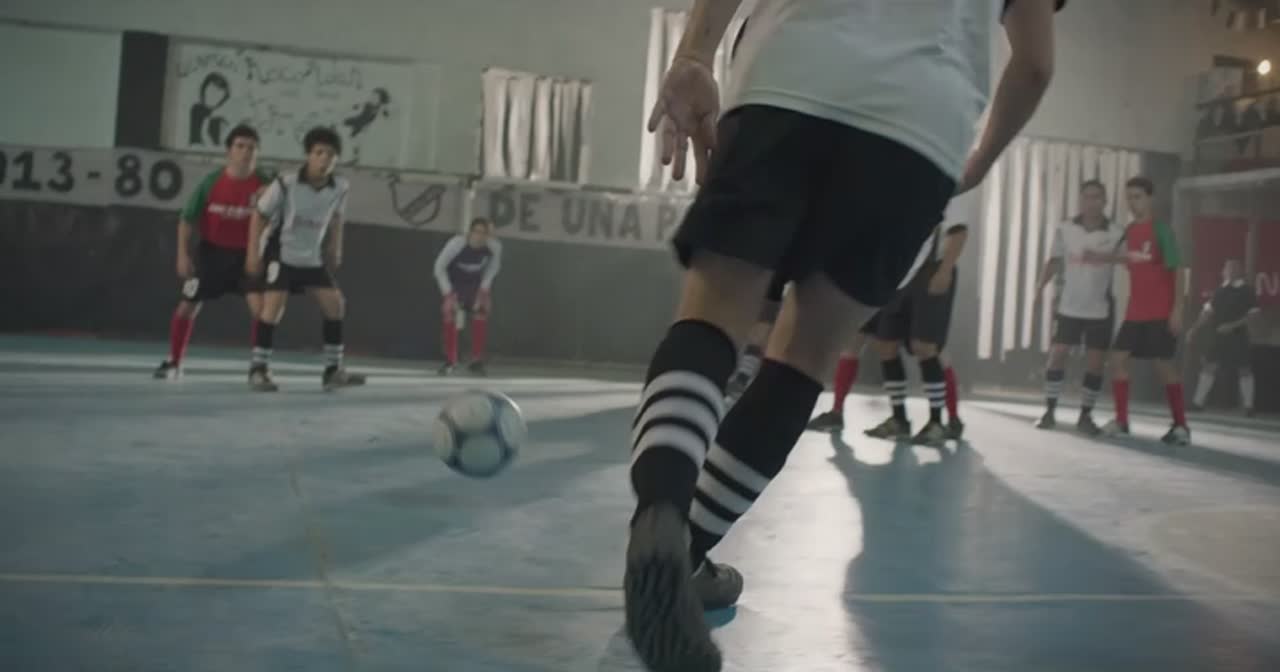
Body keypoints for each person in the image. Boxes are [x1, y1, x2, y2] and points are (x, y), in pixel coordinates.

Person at [624, 0, 1061, 669]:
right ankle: (683, 556)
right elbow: (1033, 65)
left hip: (789, 73)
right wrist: (976, 159)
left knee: (714, 313)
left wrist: (693, 56)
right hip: (921, 121)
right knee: (804, 353)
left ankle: (660, 512)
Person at [811, 217, 969, 443]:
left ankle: (942, 421)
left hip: (928, 269)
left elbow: (958, 229)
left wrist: (945, 269)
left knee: (927, 346)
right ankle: (898, 419)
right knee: (884, 344)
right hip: (896, 272)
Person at [244, 126, 366, 392]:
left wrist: (336, 247)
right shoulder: (285, 183)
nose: (325, 159)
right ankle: (258, 369)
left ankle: (333, 371)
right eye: (319, 152)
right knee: (272, 309)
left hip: (311, 258)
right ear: (308, 155)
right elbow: (259, 215)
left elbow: (337, 217)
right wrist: (253, 254)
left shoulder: (340, 187)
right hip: (282, 253)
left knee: (336, 305)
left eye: (331, 154)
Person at [153, 125, 271, 379]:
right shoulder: (211, 182)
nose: (246, 152)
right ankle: (175, 362)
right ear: (229, 151)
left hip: (248, 257)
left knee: (261, 310)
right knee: (186, 306)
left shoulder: (265, 184)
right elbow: (187, 219)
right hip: (211, 255)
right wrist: (182, 255)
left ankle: (259, 367)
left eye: (251, 148)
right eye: (240, 146)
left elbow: (279, 219)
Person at [1032, 179, 1125, 435]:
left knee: (1096, 362)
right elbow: (1054, 260)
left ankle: (1086, 415)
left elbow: (1128, 260)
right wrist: (1039, 289)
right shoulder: (1065, 228)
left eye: (1096, 197)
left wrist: (1106, 257)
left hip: (1100, 308)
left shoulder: (1116, 232)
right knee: (1058, 354)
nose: (1091, 202)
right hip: (1069, 306)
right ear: (1080, 200)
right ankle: (1049, 411)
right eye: (1086, 197)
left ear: (1105, 201)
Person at [1102, 176, 1190, 444]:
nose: (1132, 202)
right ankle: (1121, 421)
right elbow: (1130, 262)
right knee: (1118, 360)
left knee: (1164, 366)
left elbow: (1178, 270)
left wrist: (1177, 309)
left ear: (1150, 198)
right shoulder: (1128, 231)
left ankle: (1181, 426)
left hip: (1160, 311)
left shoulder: (1162, 230)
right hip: (1135, 312)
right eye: (1129, 197)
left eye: (1138, 197)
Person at [433, 218, 502, 376]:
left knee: (482, 310)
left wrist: (483, 290)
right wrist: (448, 294)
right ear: (470, 233)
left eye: (485, 234)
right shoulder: (456, 244)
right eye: (477, 232)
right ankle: (450, 361)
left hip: (474, 285)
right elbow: (438, 268)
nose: (480, 237)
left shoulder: (495, 247)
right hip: (454, 283)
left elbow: (493, 268)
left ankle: (476, 361)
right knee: (449, 312)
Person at [1190, 258, 1259, 416]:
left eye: (1234, 268)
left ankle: (1249, 407)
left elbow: (1253, 316)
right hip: (1219, 335)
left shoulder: (1247, 291)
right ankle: (1198, 403)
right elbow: (1207, 312)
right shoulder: (1220, 290)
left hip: (1239, 335)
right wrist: (1194, 328)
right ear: (1223, 272)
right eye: (1228, 268)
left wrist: (1232, 326)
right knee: (1209, 366)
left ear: (1240, 271)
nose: (1230, 271)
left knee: (1244, 369)